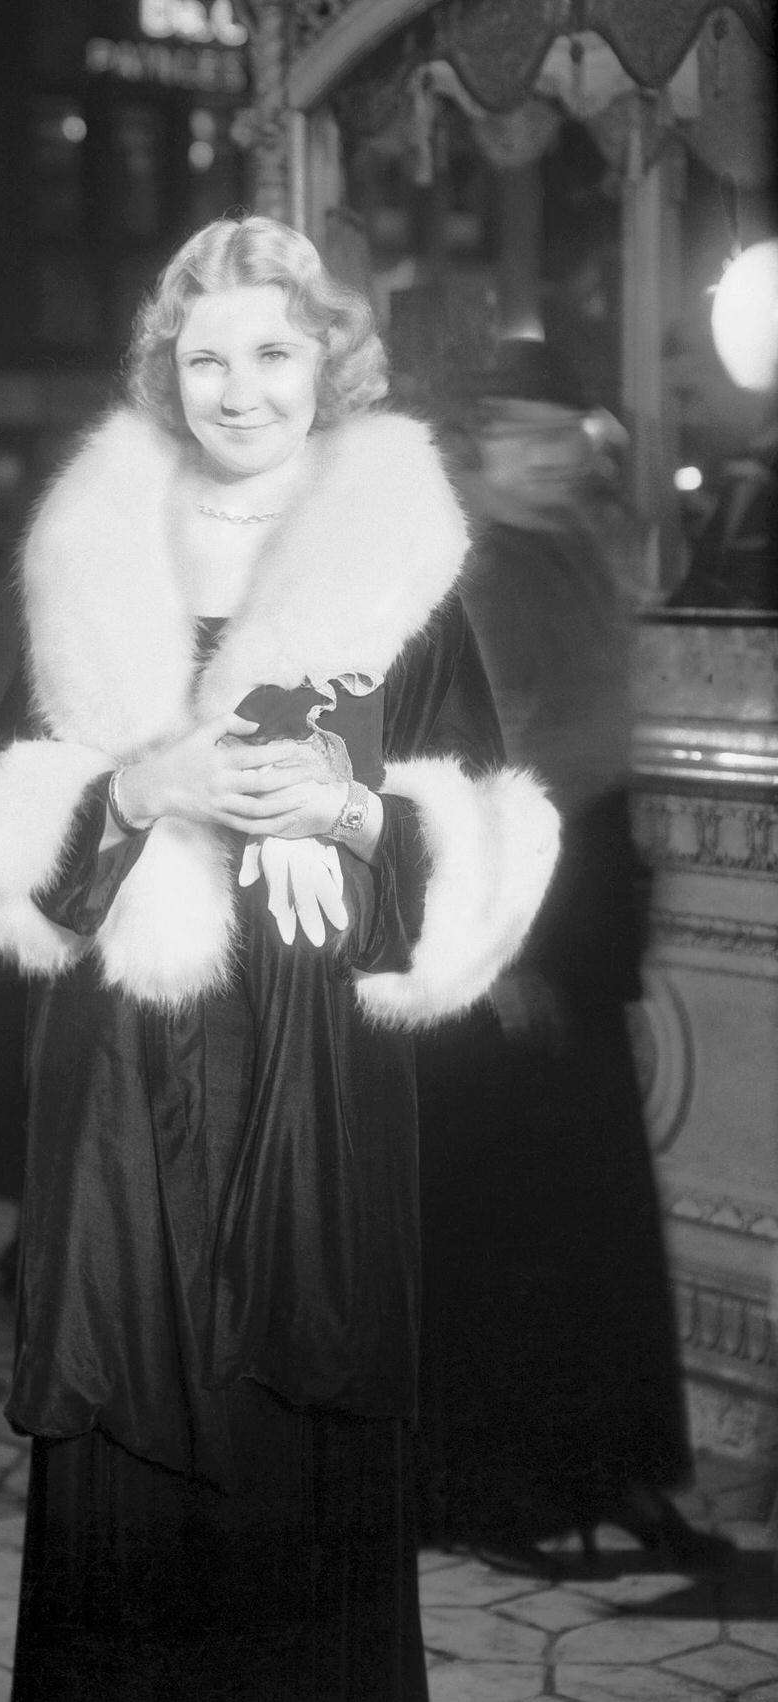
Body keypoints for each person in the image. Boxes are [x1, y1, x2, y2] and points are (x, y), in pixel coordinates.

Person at [0, 217, 560, 1701]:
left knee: (302, 1440)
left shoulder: (405, 576)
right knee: (126, 1455)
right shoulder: (86, 559)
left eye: (272, 351)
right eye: (205, 356)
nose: (239, 387)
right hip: (125, 1086)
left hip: (317, 1076)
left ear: (329, 364)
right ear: (168, 373)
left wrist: (349, 809)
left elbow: (490, 866)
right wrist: (142, 790)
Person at [414, 337, 735, 1572]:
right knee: (500, 1228)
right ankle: (492, 1490)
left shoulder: (577, 550)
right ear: (486, 441)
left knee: (598, 1221)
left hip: (586, 918)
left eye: (567, 433)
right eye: (529, 434)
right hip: (497, 932)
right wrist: (486, 950)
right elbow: (439, 777)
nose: (555, 455)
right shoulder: (453, 571)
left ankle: (620, 1473)